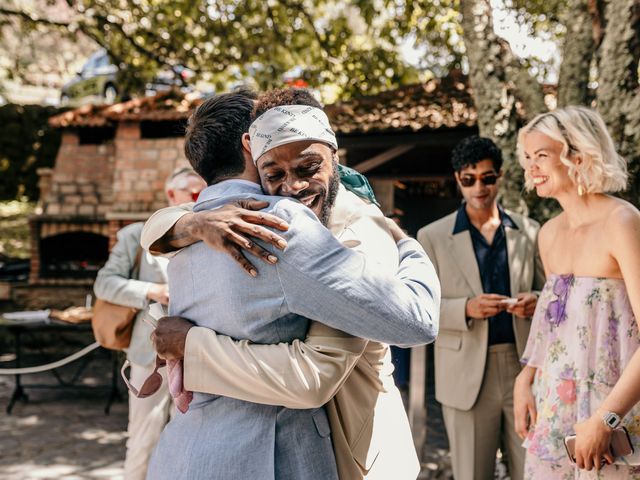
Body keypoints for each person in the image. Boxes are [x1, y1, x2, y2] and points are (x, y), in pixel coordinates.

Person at [145, 91, 440, 480]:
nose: (291, 188)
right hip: (269, 456)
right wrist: (185, 225)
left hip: (195, 454)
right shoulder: (231, 223)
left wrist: (403, 242)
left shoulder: (201, 224)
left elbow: (404, 326)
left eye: (307, 167)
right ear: (251, 146)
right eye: (275, 172)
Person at [513, 106, 640, 478]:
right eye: (526, 158)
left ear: (578, 156)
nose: (530, 168)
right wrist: (526, 378)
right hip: (552, 409)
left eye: (541, 156)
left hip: (615, 413)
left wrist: (606, 420)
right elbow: (553, 326)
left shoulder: (623, 222)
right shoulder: (549, 233)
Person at [417, 136, 545, 480]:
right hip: (464, 373)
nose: (479, 187)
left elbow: (553, 293)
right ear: (457, 178)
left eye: (487, 178)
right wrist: (465, 309)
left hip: (526, 368)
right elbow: (418, 308)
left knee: (533, 470)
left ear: (500, 177)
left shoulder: (530, 231)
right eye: (469, 179)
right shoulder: (431, 236)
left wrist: (537, 300)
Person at [93, 167, 205, 480]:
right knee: (144, 438)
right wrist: (152, 291)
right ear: (172, 196)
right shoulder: (136, 235)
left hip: (201, 354)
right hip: (149, 356)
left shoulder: (210, 235)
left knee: (190, 442)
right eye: (192, 193)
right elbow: (104, 283)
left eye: (203, 192)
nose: (199, 199)